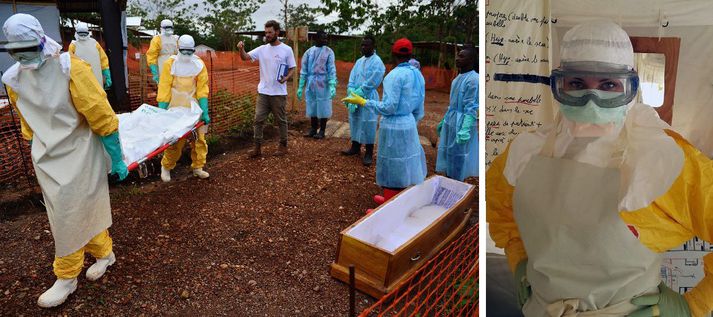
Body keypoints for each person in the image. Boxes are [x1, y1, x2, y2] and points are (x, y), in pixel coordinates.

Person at [487, 21, 713, 317]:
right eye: (577, 84)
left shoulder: (663, 159)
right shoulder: (524, 152)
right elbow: (503, 215)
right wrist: (519, 262)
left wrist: (692, 307)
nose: (591, 99)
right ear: (560, 85)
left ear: (630, 88)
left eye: (608, 85)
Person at [1, 13, 128, 308]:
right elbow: (28, 122)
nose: (23, 57)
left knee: (67, 216)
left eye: (28, 48)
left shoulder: (70, 68)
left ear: (41, 41)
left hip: (80, 151)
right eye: (15, 52)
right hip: (47, 158)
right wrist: (35, 145)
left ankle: (67, 277)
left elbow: (100, 114)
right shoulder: (13, 78)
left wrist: (116, 156)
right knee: (77, 210)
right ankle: (105, 253)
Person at [343, 38, 426, 205]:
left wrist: (364, 102)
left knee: (392, 164)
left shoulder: (394, 76)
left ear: (392, 53)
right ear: (410, 54)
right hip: (408, 122)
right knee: (406, 163)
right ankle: (399, 199)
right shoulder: (417, 74)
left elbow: (389, 107)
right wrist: (411, 121)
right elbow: (420, 104)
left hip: (394, 125)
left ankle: (392, 203)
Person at [237, 20, 296, 157]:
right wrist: (241, 49)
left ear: (277, 32)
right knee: (258, 120)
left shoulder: (286, 49)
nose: (267, 35)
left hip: (279, 93)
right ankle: (257, 148)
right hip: (263, 92)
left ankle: (283, 145)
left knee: (281, 120)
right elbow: (245, 57)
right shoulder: (262, 49)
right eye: (266, 32)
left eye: (270, 32)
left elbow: (292, 68)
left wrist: (287, 78)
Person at [157, 35, 210, 181]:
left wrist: (204, 110)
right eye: (184, 51)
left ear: (193, 50)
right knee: (175, 141)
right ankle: (166, 166)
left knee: (199, 140)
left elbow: (202, 88)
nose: (187, 54)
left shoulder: (199, 65)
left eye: (190, 51)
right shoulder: (170, 64)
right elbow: (164, 87)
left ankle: (198, 167)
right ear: (178, 49)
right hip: (175, 109)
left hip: (194, 109)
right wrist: (162, 110)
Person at [342, 35, 385, 166]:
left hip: (368, 97)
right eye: (362, 45)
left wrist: (361, 92)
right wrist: (351, 91)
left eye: (366, 45)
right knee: (355, 121)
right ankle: (355, 146)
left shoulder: (377, 62)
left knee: (369, 123)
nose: (363, 47)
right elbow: (352, 77)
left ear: (373, 47)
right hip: (355, 96)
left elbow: (374, 80)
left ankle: (368, 152)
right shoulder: (359, 61)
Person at [435, 46, 477, 181]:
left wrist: (465, 129)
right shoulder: (457, 78)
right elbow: (452, 104)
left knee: (459, 156)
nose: (458, 59)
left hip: (462, 123)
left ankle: (457, 186)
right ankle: (449, 180)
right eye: (458, 55)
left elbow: (471, 108)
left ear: (471, 60)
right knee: (449, 154)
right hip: (451, 121)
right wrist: (444, 120)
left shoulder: (473, 80)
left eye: (462, 56)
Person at [297, 30, 337, 139]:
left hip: (323, 82)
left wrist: (332, 84)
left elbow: (331, 69)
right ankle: (313, 129)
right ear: (316, 38)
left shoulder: (329, 52)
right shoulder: (309, 52)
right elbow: (304, 69)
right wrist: (301, 86)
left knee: (323, 105)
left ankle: (322, 130)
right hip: (311, 82)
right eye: (323, 38)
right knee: (312, 105)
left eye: (326, 38)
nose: (325, 40)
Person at [68, 22, 111, 89]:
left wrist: (106, 73)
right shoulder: (94, 44)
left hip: (84, 80)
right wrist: (106, 74)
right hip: (87, 80)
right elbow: (104, 60)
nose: (82, 36)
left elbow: (103, 60)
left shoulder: (74, 45)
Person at [146, 19, 178, 84]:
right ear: (162, 28)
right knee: (164, 85)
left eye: (170, 27)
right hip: (162, 64)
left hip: (174, 64)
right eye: (167, 27)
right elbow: (152, 55)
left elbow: (178, 53)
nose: (168, 29)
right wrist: (154, 70)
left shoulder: (175, 38)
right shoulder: (157, 39)